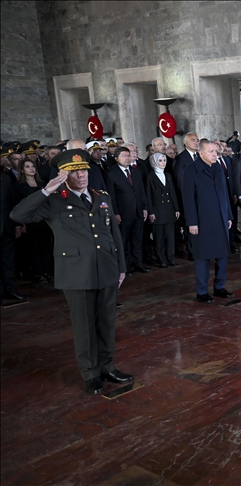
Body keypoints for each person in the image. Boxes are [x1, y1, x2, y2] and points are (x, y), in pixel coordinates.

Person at [11, 149, 133, 395]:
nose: (81, 176)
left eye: (83, 170)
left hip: (107, 268)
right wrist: (47, 189)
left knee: (107, 322)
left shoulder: (101, 196)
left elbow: (114, 235)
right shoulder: (54, 200)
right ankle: (90, 374)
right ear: (63, 175)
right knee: (84, 326)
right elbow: (18, 215)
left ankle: (108, 366)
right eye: (74, 172)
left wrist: (121, 267)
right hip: (77, 273)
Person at [182, 141, 234, 303]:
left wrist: (228, 216)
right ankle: (202, 291)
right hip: (202, 221)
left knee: (222, 255)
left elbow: (225, 194)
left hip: (220, 218)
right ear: (201, 153)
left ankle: (219, 286)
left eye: (216, 152)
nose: (215, 155)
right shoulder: (190, 170)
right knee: (203, 257)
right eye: (211, 152)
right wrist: (192, 222)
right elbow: (188, 199)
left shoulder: (218, 168)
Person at [104, 146, 150, 274]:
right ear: (116, 158)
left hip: (138, 211)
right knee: (124, 240)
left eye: (128, 155)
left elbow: (141, 191)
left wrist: (145, 208)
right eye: (123, 155)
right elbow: (111, 195)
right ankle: (126, 266)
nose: (127, 158)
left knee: (137, 239)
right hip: (123, 213)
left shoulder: (136, 171)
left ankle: (138, 263)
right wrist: (115, 213)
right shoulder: (111, 173)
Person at [15, 160, 52, 283]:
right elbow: (17, 205)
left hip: (44, 220)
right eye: (27, 167)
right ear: (22, 170)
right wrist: (20, 224)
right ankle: (38, 273)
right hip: (30, 221)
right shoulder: (19, 185)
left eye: (33, 166)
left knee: (46, 247)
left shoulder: (43, 183)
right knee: (35, 248)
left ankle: (47, 272)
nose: (31, 168)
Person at [145, 153, 180, 267]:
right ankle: (161, 260)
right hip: (157, 211)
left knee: (170, 237)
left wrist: (176, 208)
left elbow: (172, 193)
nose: (163, 163)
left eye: (164, 160)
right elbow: (148, 196)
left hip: (169, 209)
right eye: (160, 160)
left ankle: (171, 258)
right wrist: (151, 212)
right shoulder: (150, 177)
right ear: (154, 162)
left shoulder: (168, 175)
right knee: (159, 237)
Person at [1, 162, 27, 302]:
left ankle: (11, 290)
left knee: (8, 261)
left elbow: (13, 202)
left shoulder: (5, 178)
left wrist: (17, 225)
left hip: (6, 226)